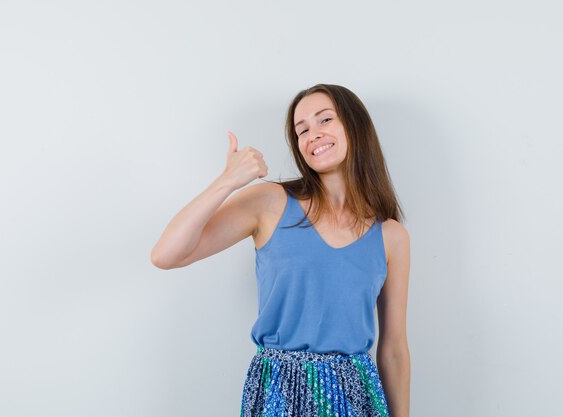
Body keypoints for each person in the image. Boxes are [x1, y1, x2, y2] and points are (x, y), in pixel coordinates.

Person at [151, 83, 411, 417]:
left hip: (356, 396)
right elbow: (166, 254)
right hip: (279, 391)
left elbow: (393, 350)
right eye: (301, 130)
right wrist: (228, 181)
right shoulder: (270, 202)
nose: (312, 134)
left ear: (355, 126)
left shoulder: (391, 235)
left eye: (325, 120)